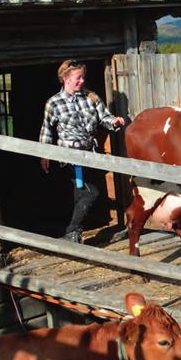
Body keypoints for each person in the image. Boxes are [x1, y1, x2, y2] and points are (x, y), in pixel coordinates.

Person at [39, 60, 125, 243]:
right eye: (78, 78)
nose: (82, 81)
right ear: (65, 79)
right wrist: (44, 154)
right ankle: (72, 231)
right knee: (90, 193)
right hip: (69, 155)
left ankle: (73, 235)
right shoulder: (54, 103)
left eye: (83, 77)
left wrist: (114, 122)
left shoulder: (91, 97)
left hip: (90, 153)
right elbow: (47, 129)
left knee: (82, 194)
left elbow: (104, 117)